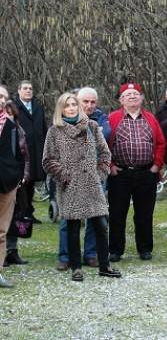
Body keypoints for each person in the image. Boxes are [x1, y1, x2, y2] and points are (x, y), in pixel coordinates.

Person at [42, 93, 121, 281]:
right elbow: (48, 160)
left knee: (101, 225)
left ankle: (105, 266)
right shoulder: (55, 131)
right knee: (73, 227)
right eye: (67, 105)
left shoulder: (92, 126)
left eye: (73, 104)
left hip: (93, 184)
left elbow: (105, 153)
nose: (71, 108)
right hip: (70, 186)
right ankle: (76, 268)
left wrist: (100, 175)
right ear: (61, 109)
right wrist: (64, 177)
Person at [107, 82, 166, 262]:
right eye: (128, 94)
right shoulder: (112, 118)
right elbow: (103, 143)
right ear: (121, 99)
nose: (132, 97)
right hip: (120, 173)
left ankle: (145, 248)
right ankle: (116, 250)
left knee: (144, 214)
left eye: (136, 94)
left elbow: (161, 143)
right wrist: (110, 165)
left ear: (141, 98)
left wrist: (156, 165)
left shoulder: (150, 118)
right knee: (117, 213)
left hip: (146, 173)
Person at [56, 87, 111, 271]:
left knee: (96, 219)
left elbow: (107, 137)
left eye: (92, 102)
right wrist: (64, 177)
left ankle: (91, 254)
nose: (89, 105)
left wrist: (100, 174)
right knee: (68, 220)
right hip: (70, 180)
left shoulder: (98, 120)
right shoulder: (60, 125)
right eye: (85, 101)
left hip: (93, 178)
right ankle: (66, 256)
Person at [0, 86, 29, 288]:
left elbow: (22, 155)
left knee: (1, 231)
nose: (1, 100)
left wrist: (18, 179)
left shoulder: (12, 127)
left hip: (6, 184)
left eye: (4, 97)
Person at [14, 80, 47, 224]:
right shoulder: (13, 107)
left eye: (30, 89)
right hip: (20, 151)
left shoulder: (38, 107)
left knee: (32, 181)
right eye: (25, 88)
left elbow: (44, 128)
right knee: (22, 182)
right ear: (19, 91)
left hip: (37, 150)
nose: (28, 91)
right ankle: (20, 212)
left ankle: (28, 212)